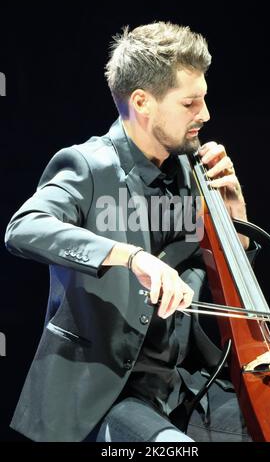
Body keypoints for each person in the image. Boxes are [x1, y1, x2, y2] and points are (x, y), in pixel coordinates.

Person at [5, 22, 255, 442]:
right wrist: (132, 256)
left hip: (185, 388)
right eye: (190, 103)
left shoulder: (191, 170)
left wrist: (235, 215)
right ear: (143, 102)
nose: (205, 115)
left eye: (205, 100)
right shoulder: (87, 165)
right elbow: (24, 227)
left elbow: (229, 283)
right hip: (105, 394)